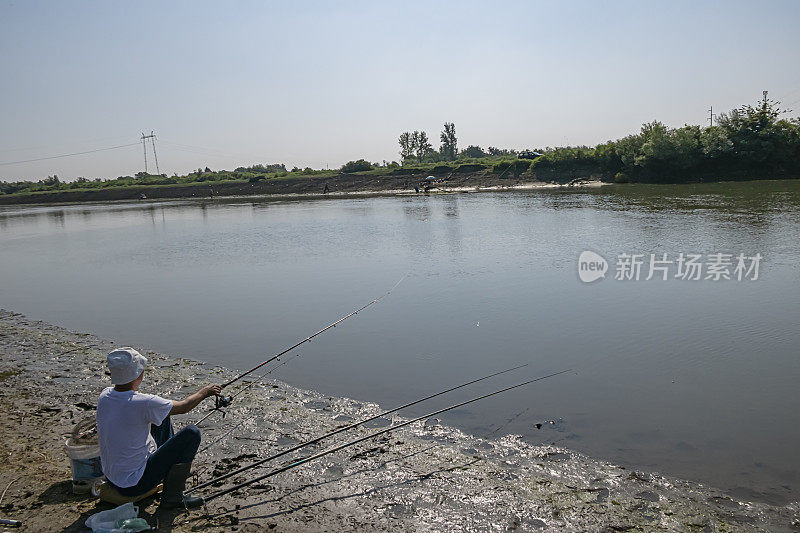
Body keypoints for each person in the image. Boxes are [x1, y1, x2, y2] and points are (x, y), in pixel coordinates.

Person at [96, 347, 221, 508]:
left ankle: (169, 471)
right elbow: (184, 407)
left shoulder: (105, 395)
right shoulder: (144, 403)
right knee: (192, 433)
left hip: (113, 477)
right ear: (137, 375)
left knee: (163, 416)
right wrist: (205, 392)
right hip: (134, 485)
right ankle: (173, 497)